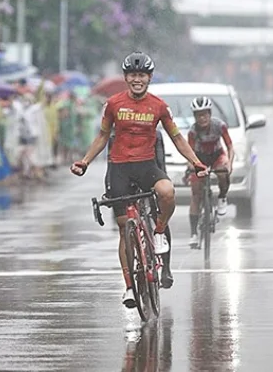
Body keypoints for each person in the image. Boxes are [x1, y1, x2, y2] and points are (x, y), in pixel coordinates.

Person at [70, 51, 207, 309]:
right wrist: (85, 161)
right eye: (132, 75)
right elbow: (102, 136)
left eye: (141, 75)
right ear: (126, 77)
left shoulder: (159, 106)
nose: (137, 79)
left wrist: (195, 161)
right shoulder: (113, 104)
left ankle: (157, 233)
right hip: (119, 168)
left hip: (147, 166)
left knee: (167, 193)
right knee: (124, 227)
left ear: (149, 77)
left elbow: (177, 137)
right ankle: (129, 287)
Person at [186, 96, 235, 247]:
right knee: (195, 194)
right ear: (195, 117)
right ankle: (193, 233)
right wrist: (191, 167)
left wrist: (229, 164)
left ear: (210, 114)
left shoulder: (219, 126)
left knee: (222, 172)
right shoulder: (193, 132)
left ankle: (222, 198)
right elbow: (189, 152)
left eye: (205, 114)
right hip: (199, 158)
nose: (202, 118)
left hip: (216, 155)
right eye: (199, 115)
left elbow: (230, 147)